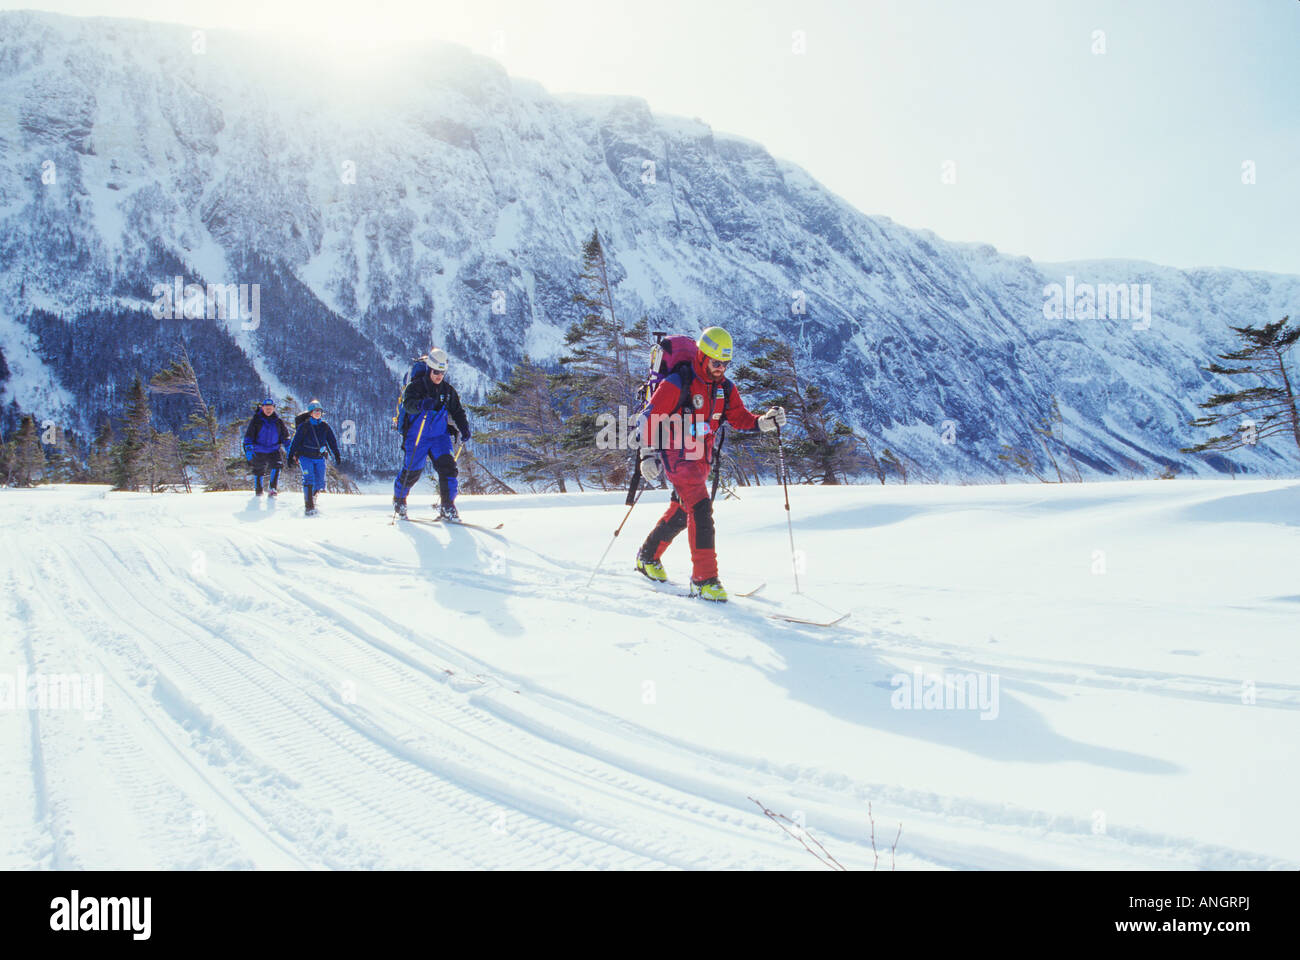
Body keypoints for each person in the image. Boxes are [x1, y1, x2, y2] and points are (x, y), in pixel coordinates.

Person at [634, 326, 785, 602]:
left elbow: (740, 417)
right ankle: (704, 579)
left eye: (726, 364)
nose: (721, 369)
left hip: (701, 457)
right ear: (703, 356)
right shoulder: (679, 382)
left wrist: (763, 423)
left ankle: (647, 557)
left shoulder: (725, 388)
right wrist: (647, 453)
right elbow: (649, 417)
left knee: (682, 511)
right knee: (701, 508)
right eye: (717, 363)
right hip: (677, 456)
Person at [393, 347, 471, 520]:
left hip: (439, 436)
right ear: (429, 368)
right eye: (436, 372)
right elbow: (408, 405)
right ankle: (399, 500)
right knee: (412, 471)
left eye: (442, 372)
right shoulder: (415, 387)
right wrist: (421, 405)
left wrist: (463, 428)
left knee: (448, 469)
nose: (439, 376)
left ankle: (448, 506)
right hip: (417, 435)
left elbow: (457, 411)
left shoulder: (448, 391)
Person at [287, 400, 342, 516]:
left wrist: (336, 454)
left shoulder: (325, 426)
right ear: (310, 413)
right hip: (305, 457)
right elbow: (295, 442)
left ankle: (312, 498)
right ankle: (309, 506)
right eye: (315, 411)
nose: (317, 413)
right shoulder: (304, 427)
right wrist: (290, 456)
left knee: (320, 482)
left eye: (319, 411)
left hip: (319, 457)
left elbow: (332, 441)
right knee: (308, 479)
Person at [242, 397, 290, 497]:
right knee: (258, 470)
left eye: (270, 407)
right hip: (259, 449)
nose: (268, 409)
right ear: (262, 408)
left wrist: (289, 449)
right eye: (266, 407)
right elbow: (248, 437)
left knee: (277, 466)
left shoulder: (278, 422)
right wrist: (249, 450)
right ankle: (259, 491)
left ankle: (272, 488)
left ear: (274, 408)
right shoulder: (256, 420)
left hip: (273, 449)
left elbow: (285, 437)